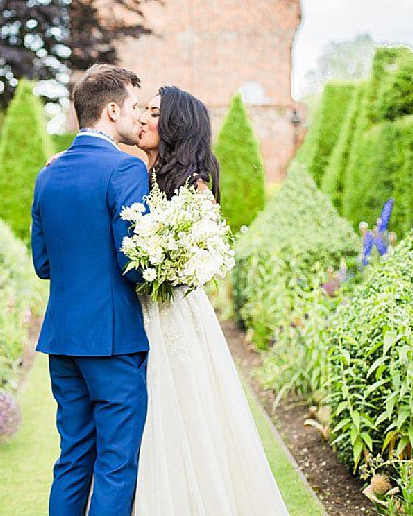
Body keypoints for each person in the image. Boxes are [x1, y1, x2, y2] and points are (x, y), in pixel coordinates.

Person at [132, 86, 290, 515]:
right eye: (144, 111)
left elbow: (198, 261)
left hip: (175, 314)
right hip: (142, 313)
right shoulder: (138, 173)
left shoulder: (194, 188)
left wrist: (159, 262)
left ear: (176, 125)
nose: (144, 119)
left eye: (153, 112)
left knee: (184, 409)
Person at [30, 63, 151, 516]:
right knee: (117, 463)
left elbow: (43, 264)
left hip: (63, 341)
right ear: (112, 110)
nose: (139, 117)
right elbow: (134, 262)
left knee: (73, 458)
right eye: (135, 108)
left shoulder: (48, 175)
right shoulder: (125, 169)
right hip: (112, 341)